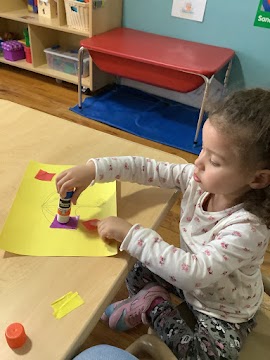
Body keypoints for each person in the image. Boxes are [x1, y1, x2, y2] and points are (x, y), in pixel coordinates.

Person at [56, 88, 270, 360]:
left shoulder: (249, 227)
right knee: (136, 272)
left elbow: (195, 273)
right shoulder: (198, 180)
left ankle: (153, 304)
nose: (198, 162)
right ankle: (149, 298)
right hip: (192, 284)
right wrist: (94, 170)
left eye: (214, 160)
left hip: (224, 311)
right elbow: (145, 168)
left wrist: (131, 234)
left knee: (205, 356)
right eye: (203, 149)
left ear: (258, 179)